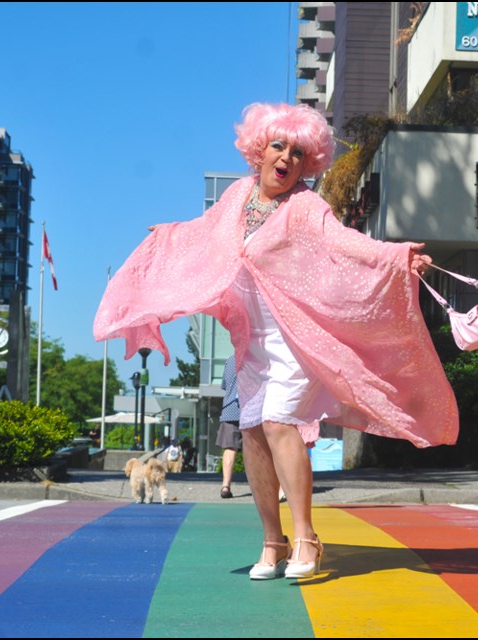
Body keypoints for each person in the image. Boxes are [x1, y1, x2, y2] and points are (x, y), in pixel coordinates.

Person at [94, 102, 458, 580]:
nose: (287, 157)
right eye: (279, 145)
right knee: (252, 434)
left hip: (295, 335)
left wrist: (395, 254)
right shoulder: (237, 197)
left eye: (299, 152)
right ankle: (273, 541)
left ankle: (306, 537)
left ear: (309, 163)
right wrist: (169, 235)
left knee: (279, 420)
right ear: (258, 150)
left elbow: (345, 241)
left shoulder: (307, 206)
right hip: (253, 342)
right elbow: (201, 233)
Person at [218, 352, 243, 499]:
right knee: (257, 451)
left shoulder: (230, 360)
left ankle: (225, 486)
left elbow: (225, 386)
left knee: (230, 448)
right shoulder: (256, 356)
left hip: (230, 409)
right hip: (250, 408)